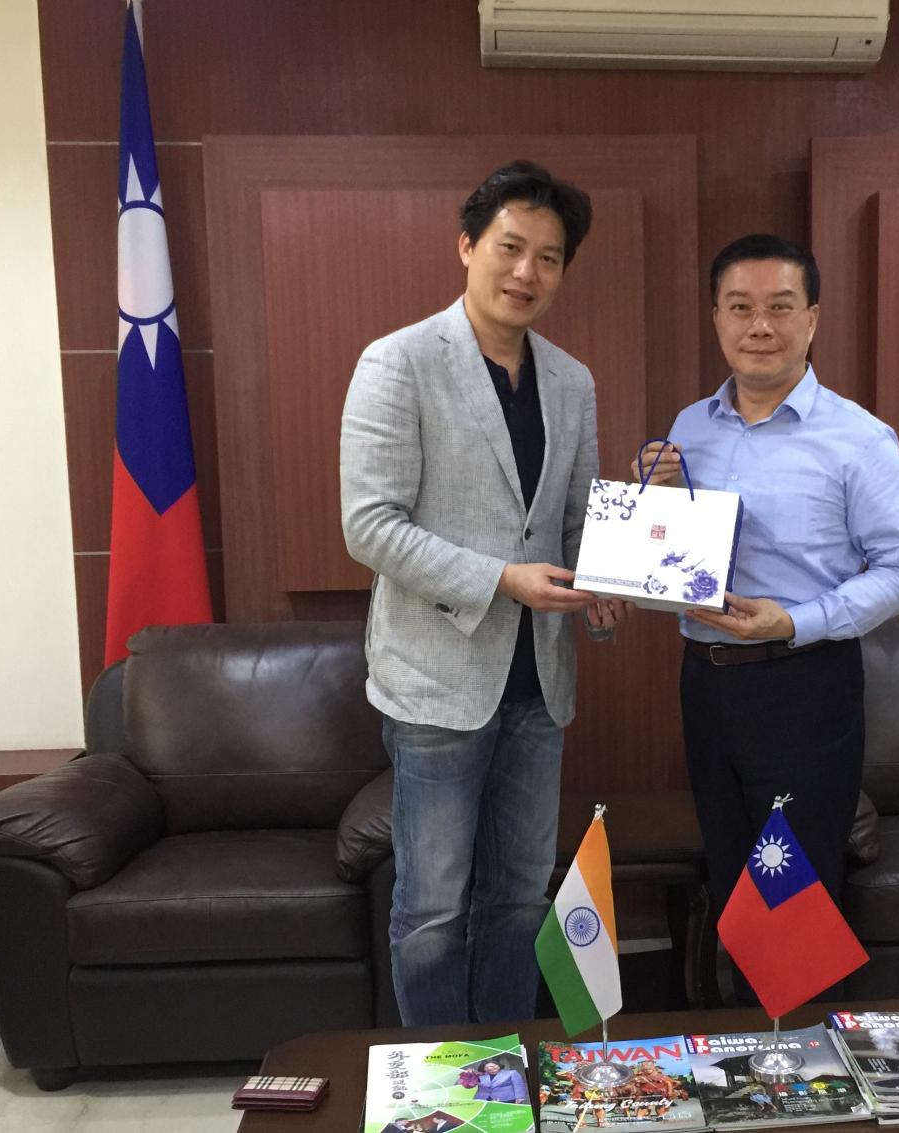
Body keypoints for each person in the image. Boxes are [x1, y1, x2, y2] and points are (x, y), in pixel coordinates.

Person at [342, 160, 630, 1026]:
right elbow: (370, 526)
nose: (526, 271)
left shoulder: (572, 381)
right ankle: (443, 1078)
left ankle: (506, 1062)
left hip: (540, 686)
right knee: (433, 908)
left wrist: (608, 581)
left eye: (549, 257)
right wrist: (502, 579)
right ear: (467, 245)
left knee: (519, 896)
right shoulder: (398, 362)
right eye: (510, 247)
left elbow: (575, 520)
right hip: (437, 684)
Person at [636, 234, 899, 966]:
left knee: (793, 894)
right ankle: (742, 1034)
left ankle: (799, 1039)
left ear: (813, 319)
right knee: (731, 879)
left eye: (780, 307)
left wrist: (795, 621)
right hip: (706, 685)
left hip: (805, 687)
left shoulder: (860, 438)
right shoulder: (689, 427)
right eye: (740, 307)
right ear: (716, 318)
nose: (759, 326)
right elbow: (673, 556)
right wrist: (648, 504)